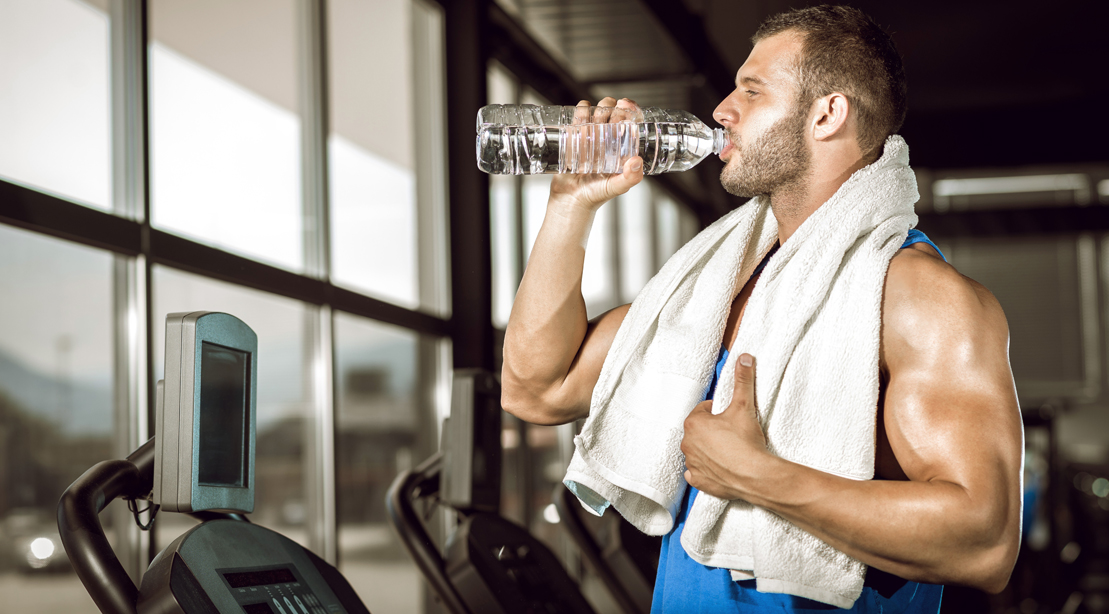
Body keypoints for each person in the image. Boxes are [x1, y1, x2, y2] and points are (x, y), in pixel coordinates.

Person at [500, 5, 1023, 612]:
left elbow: (985, 543)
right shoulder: (711, 288)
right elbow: (536, 387)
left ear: (827, 114)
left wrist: (757, 476)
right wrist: (571, 205)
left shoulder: (921, 298)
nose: (722, 111)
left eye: (751, 91)